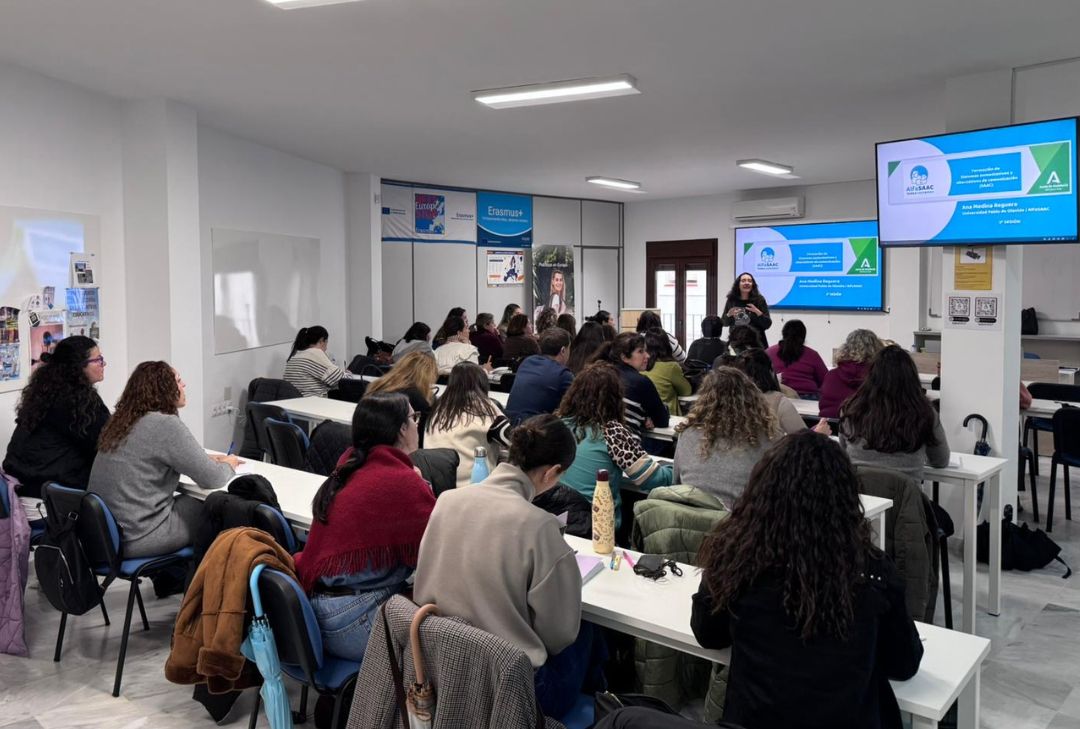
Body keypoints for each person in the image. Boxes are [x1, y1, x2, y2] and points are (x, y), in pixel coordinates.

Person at [691, 431, 923, 729]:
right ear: (846, 499)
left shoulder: (738, 559)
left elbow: (708, 632)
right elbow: (904, 663)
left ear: (762, 492)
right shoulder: (872, 572)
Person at [414, 415, 593, 718]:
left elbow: (423, 586)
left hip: (443, 665)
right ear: (552, 473)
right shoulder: (539, 526)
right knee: (588, 632)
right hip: (512, 686)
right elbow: (558, 636)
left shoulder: (447, 501)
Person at [295, 392, 435, 661]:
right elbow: (436, 543)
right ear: (402, 429)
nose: (418, 424)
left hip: (319, 610)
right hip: (350, 619)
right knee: (447, 639)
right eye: (413, 418)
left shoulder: (351, 465)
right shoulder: (397, 480)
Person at [89, 362, 240, 558]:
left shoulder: (122, 421)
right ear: (164, 389)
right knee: (216, 505)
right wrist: (229, 464)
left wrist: (203, 458)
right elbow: (212, 478)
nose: (184, 385)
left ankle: (178, 576)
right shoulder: (165, 424)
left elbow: (148, 457)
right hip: (141, 536)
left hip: (108, 534)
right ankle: (207, 577)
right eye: (178, 381)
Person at [558, 363, 673, 528]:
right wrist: (678, 469)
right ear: (616, 398)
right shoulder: (611, 432)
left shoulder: (559, 424)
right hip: (598, 526)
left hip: (561, 519)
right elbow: (654, 480)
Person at [3, 336, 109, 497]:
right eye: (98, 360)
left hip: (23, 490)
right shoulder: (79, 402)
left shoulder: (44, 393)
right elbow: (106, 442)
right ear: (79, 367)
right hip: (50, 499)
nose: (104, 364)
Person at [673, 367, 780, 508]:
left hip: (689, 519)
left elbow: (676, 483)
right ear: (752, 398)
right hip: (740, 524)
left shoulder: (687, 433)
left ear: (705, 398)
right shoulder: (769, 440)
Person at [839, 345, 950, 481]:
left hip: (861, 499)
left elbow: (844, 453)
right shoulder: (925, 412)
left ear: (871, 376)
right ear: (912, 377)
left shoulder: (851, 410)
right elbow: (941, 460)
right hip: (906, 500)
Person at [425, 362, 512, 487]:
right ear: (482, 382)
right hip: (472, 486)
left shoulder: (437, 407)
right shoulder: (486, 410)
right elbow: (514, 443)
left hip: (435, 486)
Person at [735, 349, 829, 434]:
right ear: (771, 371)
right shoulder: (778, 402)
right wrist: (818, 434)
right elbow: (802, 444)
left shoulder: (729, 402)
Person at [597, 332, 669, 438]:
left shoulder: (601, 374)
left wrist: (643, 417)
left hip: (600, 441)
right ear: (624, 357)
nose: (647, 355)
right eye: (641, 351)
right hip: (626, 447)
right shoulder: (640, 382)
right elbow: (662, 421)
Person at [364, 351, 439, 443]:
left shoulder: (377, 386)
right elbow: (424, 435)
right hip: (400, 448)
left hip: (371, 444)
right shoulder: (417, 398)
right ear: (427, 375)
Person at [505, 328, 574, 426]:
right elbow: (578, 404)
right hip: (534, 431)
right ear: (563, 350)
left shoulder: (527, 362)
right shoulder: (563, 374)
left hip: (509, 424)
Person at [818, 329, 884, 419]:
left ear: (845, 348)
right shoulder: (877, 378)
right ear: (877, 349)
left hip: (829, 426)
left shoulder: (831, 376)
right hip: (863, 429)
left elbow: (822, 405)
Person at [766, 319, 828, 399]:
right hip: (808, 398)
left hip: (778, 396)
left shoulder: (769, 352)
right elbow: (825, 379)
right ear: (803, 336)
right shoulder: (812, 355)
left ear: (783, 333)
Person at [283, 325, 350, 397]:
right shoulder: (315, 353)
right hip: (312, 403)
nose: (326, 348)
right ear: (321, 341)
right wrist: (346, 374)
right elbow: (339, 379)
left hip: (295, 402)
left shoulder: (296, 355)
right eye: (326, 342)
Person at [643, 328, 692, 416]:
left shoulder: (641, 365)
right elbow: (686, 391)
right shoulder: (671, 366)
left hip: (646, 415)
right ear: (667, 344)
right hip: (667, 415)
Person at [720, 272, 771, 345]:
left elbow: (767, 324)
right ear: (738, 284)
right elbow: (724, 323)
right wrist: (729, 314)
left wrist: (757, 312)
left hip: (757, 343)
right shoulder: (732, 300)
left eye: (750, 281)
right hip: (736, 343)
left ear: (753, 284)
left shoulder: (759, 300)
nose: (747, 283)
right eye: (743, 281)